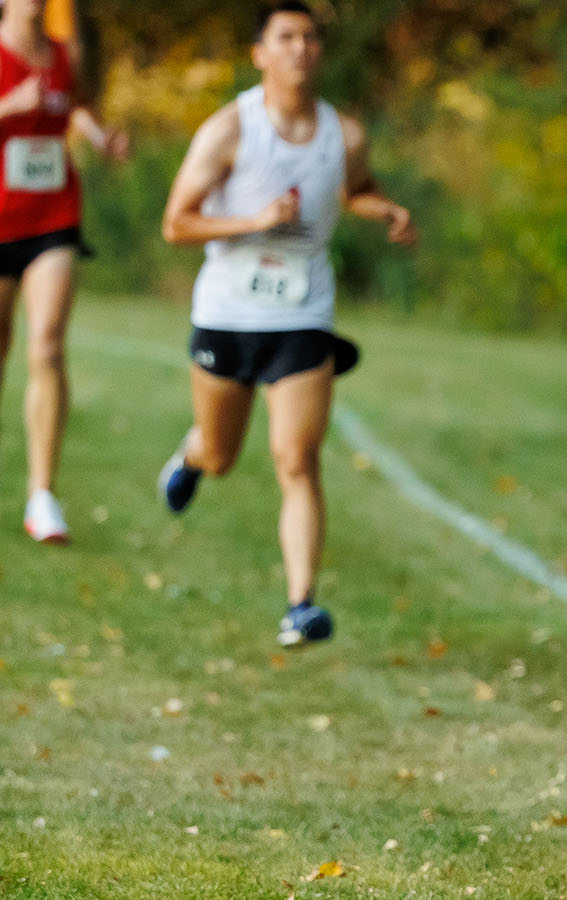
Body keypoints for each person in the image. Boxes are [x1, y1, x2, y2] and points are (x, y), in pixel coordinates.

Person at [157, 0, 415, 647]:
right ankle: (191, 456)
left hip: (303, 312)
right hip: (227, 314)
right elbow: (177, 222)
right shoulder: (229, 130)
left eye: (309, 38)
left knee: (296, 458)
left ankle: (301, 605)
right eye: (286, 37)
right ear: (260, 53)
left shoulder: (345, 133)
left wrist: (382, 210)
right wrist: (252, 221)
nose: (300, 48)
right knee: (221, 455)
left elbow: (351, 186)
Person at [0, 0, 126, 543]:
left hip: (52, 215)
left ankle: (42, 496)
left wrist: (98, 136)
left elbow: (71, 106)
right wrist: (8, 107)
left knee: (47, 346)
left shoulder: (62, 53)